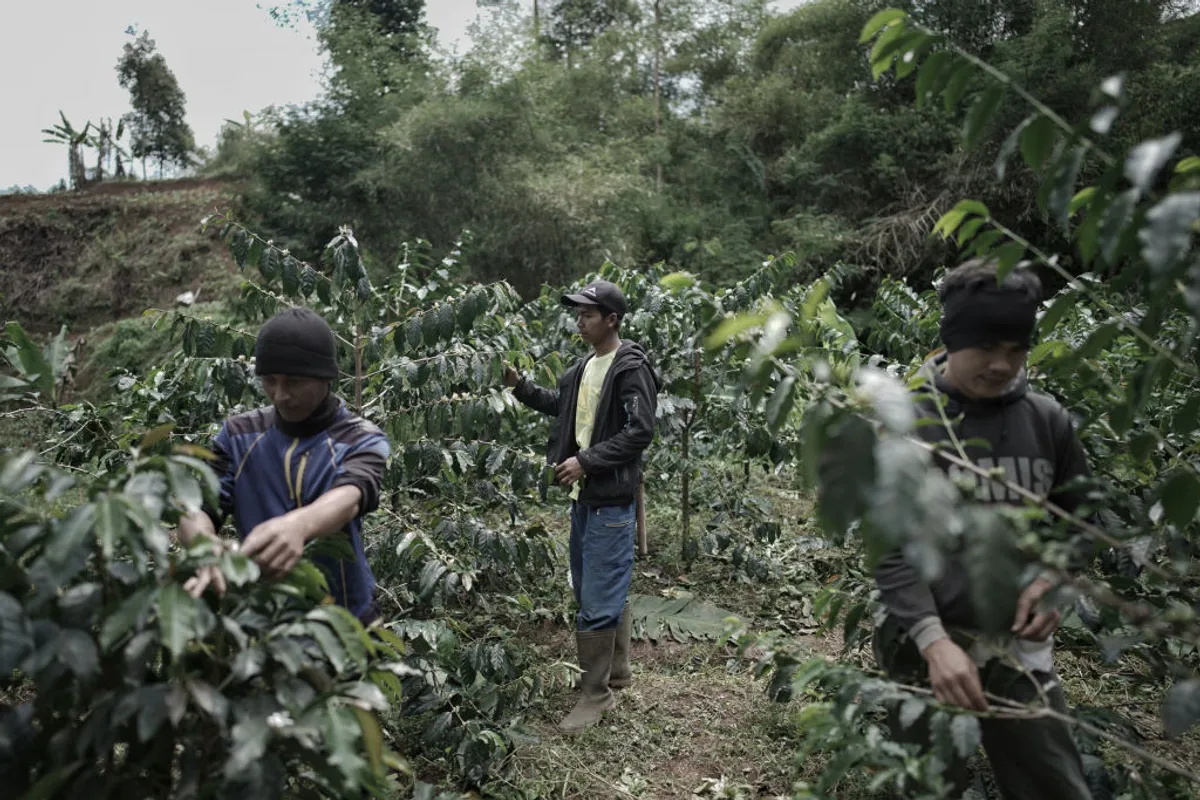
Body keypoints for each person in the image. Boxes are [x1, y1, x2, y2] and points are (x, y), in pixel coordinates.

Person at [872, 259, 1094, 799]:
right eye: (988, 348)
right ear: (953, 340)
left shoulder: (1047, 421)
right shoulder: (908, 424)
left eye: (1016, 350)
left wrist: (1052, 580)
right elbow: (891, 546)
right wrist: (933, 642)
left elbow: (1078, 519)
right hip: (925, 649)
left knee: (1054, 782)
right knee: (928, 786)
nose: (1003, 365)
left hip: (1018, 651)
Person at [504, 279, 660, 732]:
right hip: (585, 499)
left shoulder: (630, 368)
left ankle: (596, 695)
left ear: (612, 319)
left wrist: (586, 462)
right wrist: (520, 387)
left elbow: (640, 431)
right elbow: (563, 407)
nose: (579, 321)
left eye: (588, 314)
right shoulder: (585, 366)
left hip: (610, 498)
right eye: (577, 314)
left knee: (596, 596)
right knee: (590, 585)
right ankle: (616, 671)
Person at [178, 307, 390, 625]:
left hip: (349, 623)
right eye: (269, 381)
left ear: (325, 377)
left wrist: (300, 526)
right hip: (263, 624)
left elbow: (352, 494)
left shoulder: (361, 439)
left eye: (294, 381)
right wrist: (203, 546)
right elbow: (197, 506)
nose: (280, 395)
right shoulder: (238, 435)